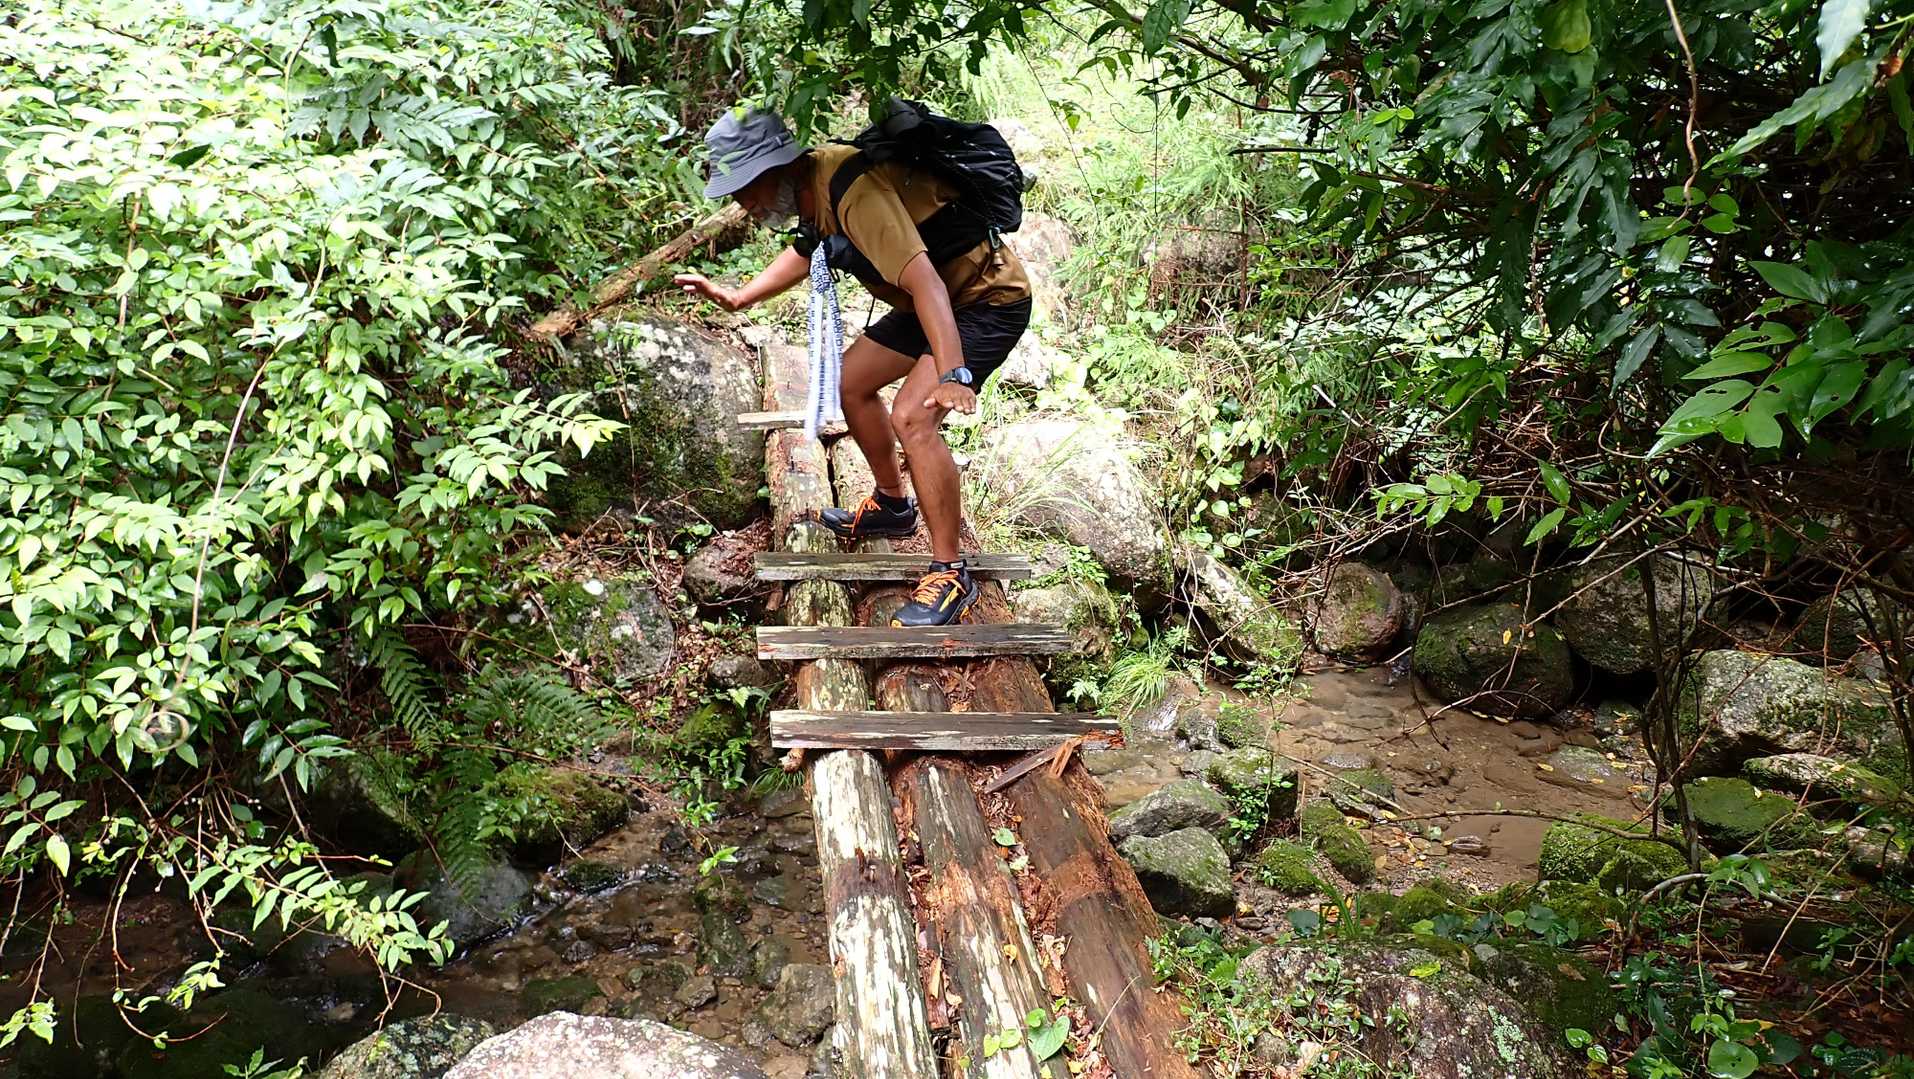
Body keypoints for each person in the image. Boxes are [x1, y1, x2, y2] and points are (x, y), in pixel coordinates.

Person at [674, 106, 1032, 628]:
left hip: (984, 299)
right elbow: (808, 250)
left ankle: (951, 572)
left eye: (745, 187)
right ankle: (893, 505)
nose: (743, 203)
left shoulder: (852, 189)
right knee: (851, 381)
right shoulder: (811, 186)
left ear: (773, 169)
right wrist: (738, 298)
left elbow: (926, 281)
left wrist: (953, 373)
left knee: (913, 416)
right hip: (934, 301)